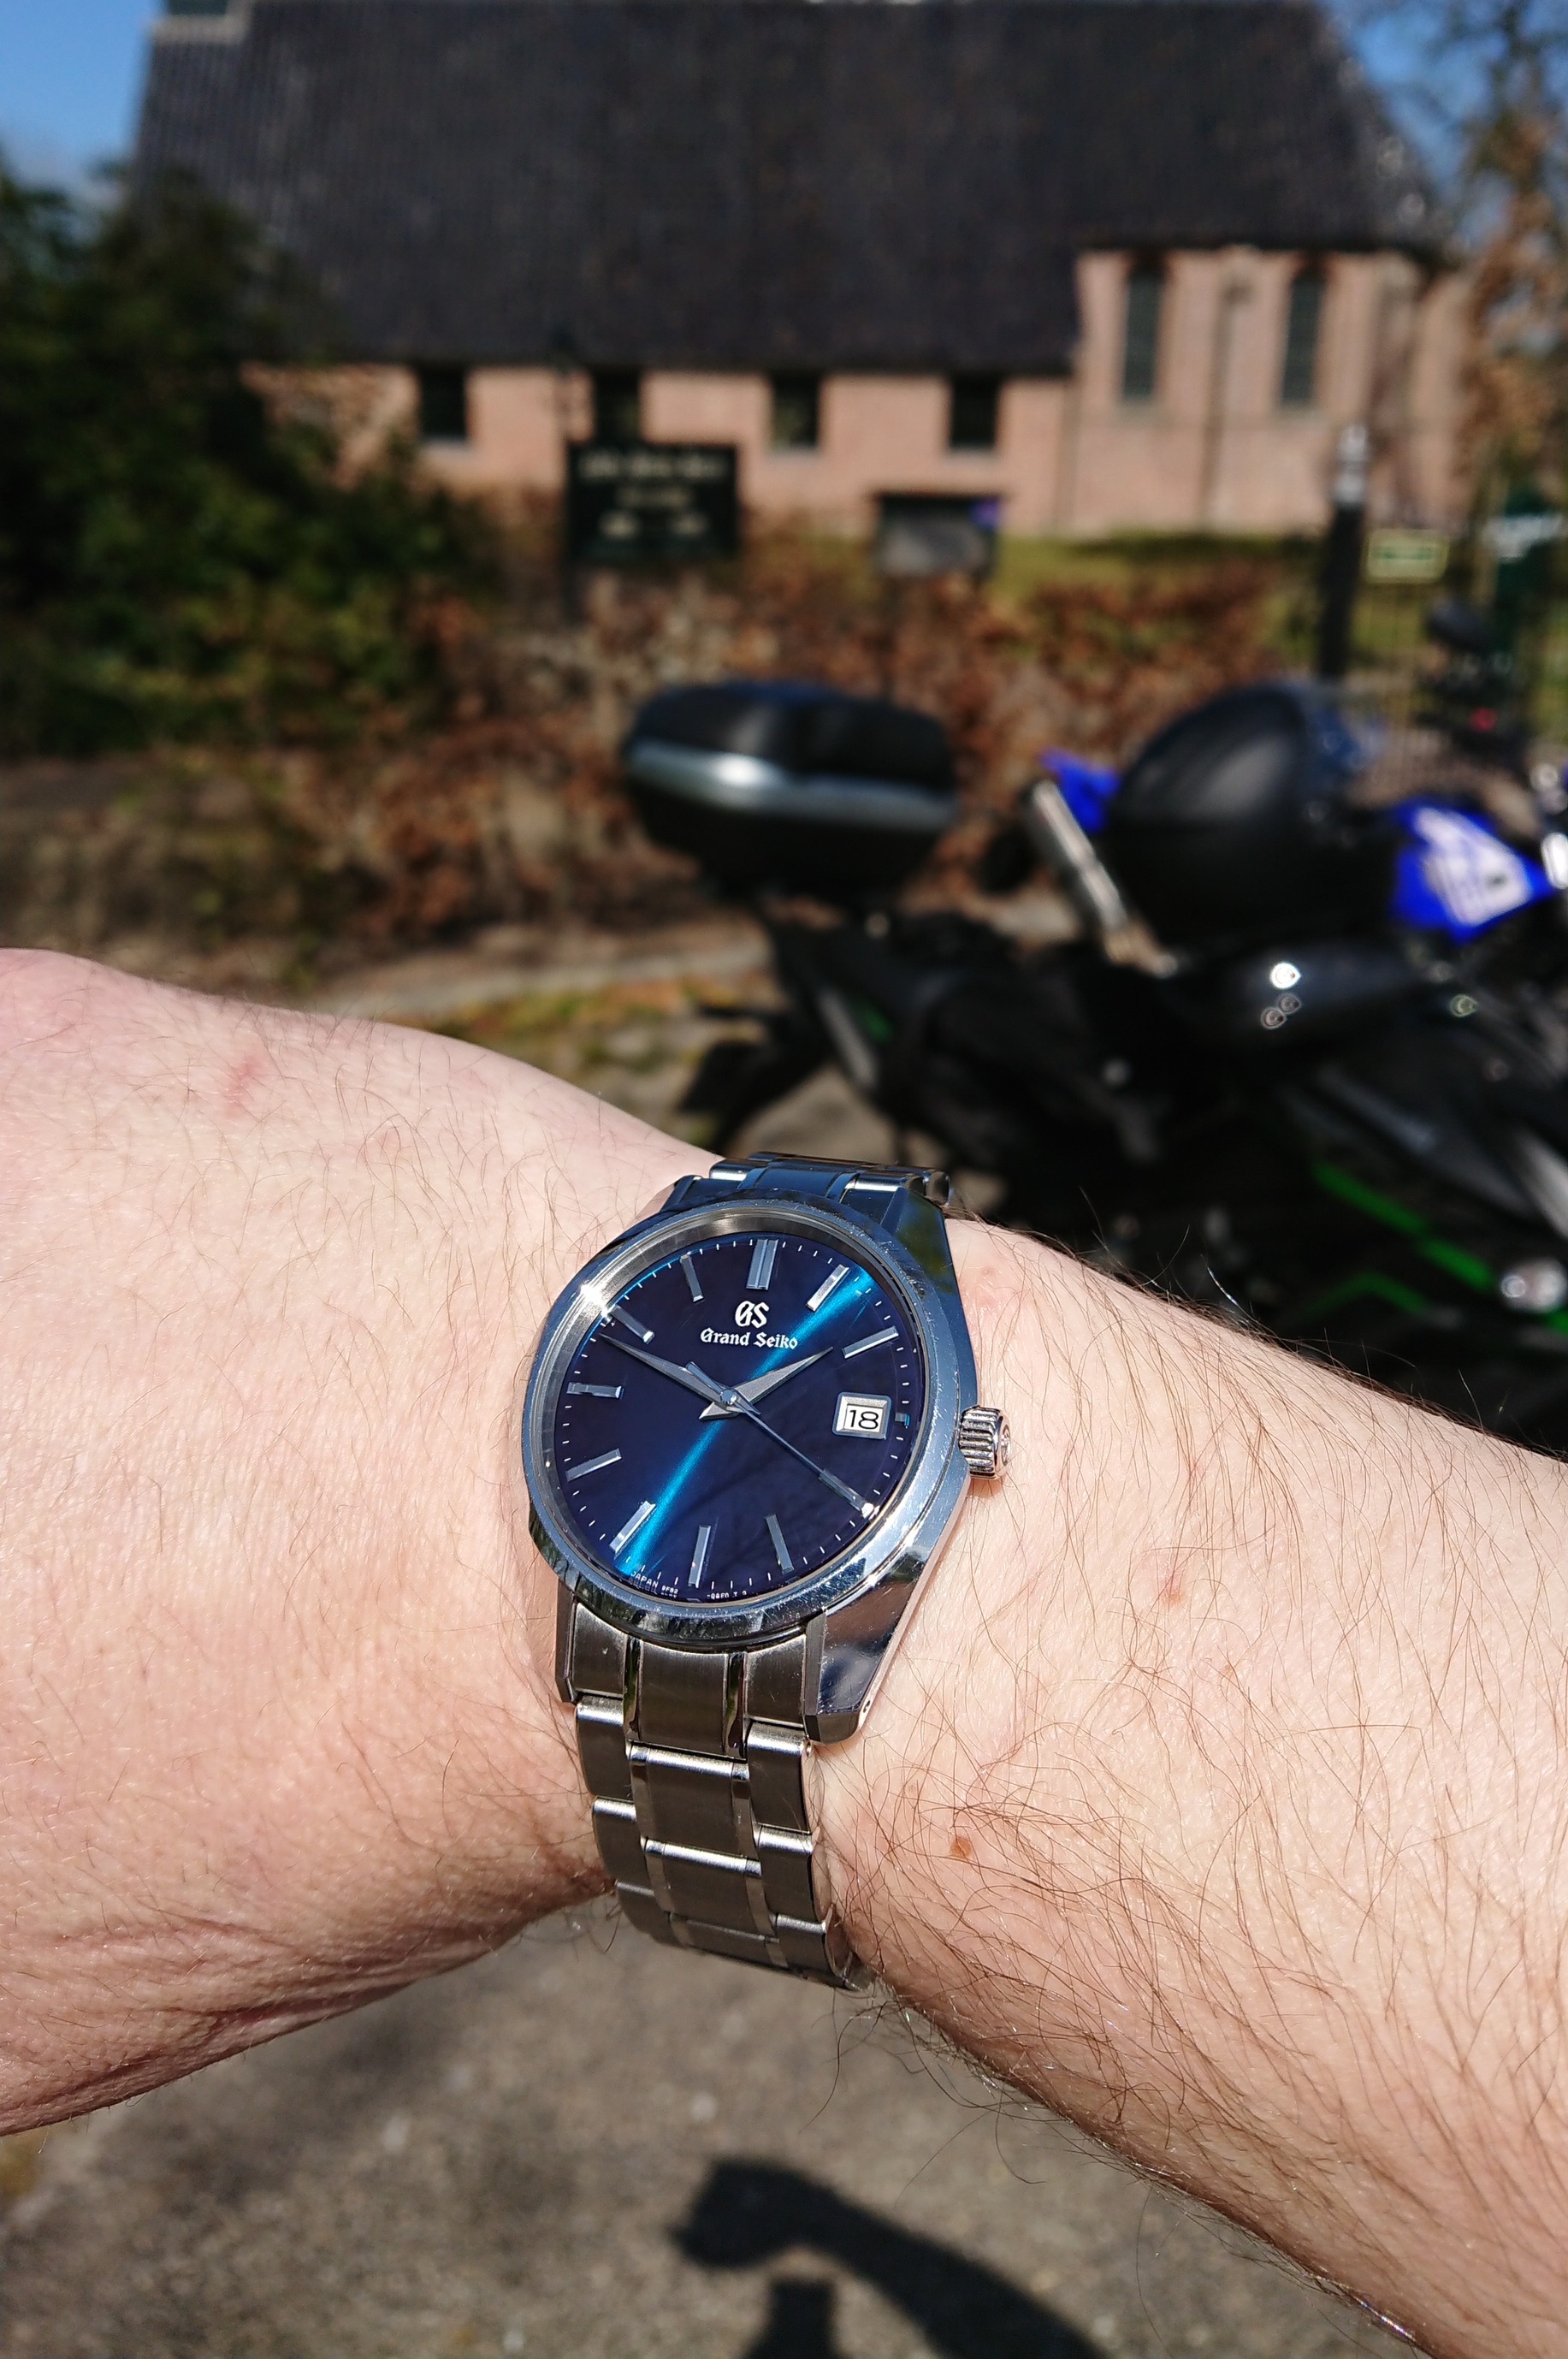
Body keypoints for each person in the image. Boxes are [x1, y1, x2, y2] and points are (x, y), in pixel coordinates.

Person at [1, 947, 1564, 2359]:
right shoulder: (629, 1395)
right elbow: (637, 1386)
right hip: (643, 1566)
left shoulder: (921, 1438)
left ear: (967, 1445)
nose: (736, 1400)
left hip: (779, 1573)